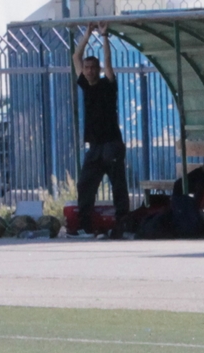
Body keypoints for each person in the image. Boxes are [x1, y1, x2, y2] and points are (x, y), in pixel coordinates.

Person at [71, 22, 130, 238]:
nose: (89, 70)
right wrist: (87, 34)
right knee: (85, 185)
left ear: (98, 69)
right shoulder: (85, 85)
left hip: (111, 144)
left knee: (118, 186)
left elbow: (108, 61)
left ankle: (122, 224)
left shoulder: (108, 85)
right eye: (86, 68)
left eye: (92, 68)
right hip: (95, 146)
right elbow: (76, 57)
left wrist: (104, 37)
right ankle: (85, 226)